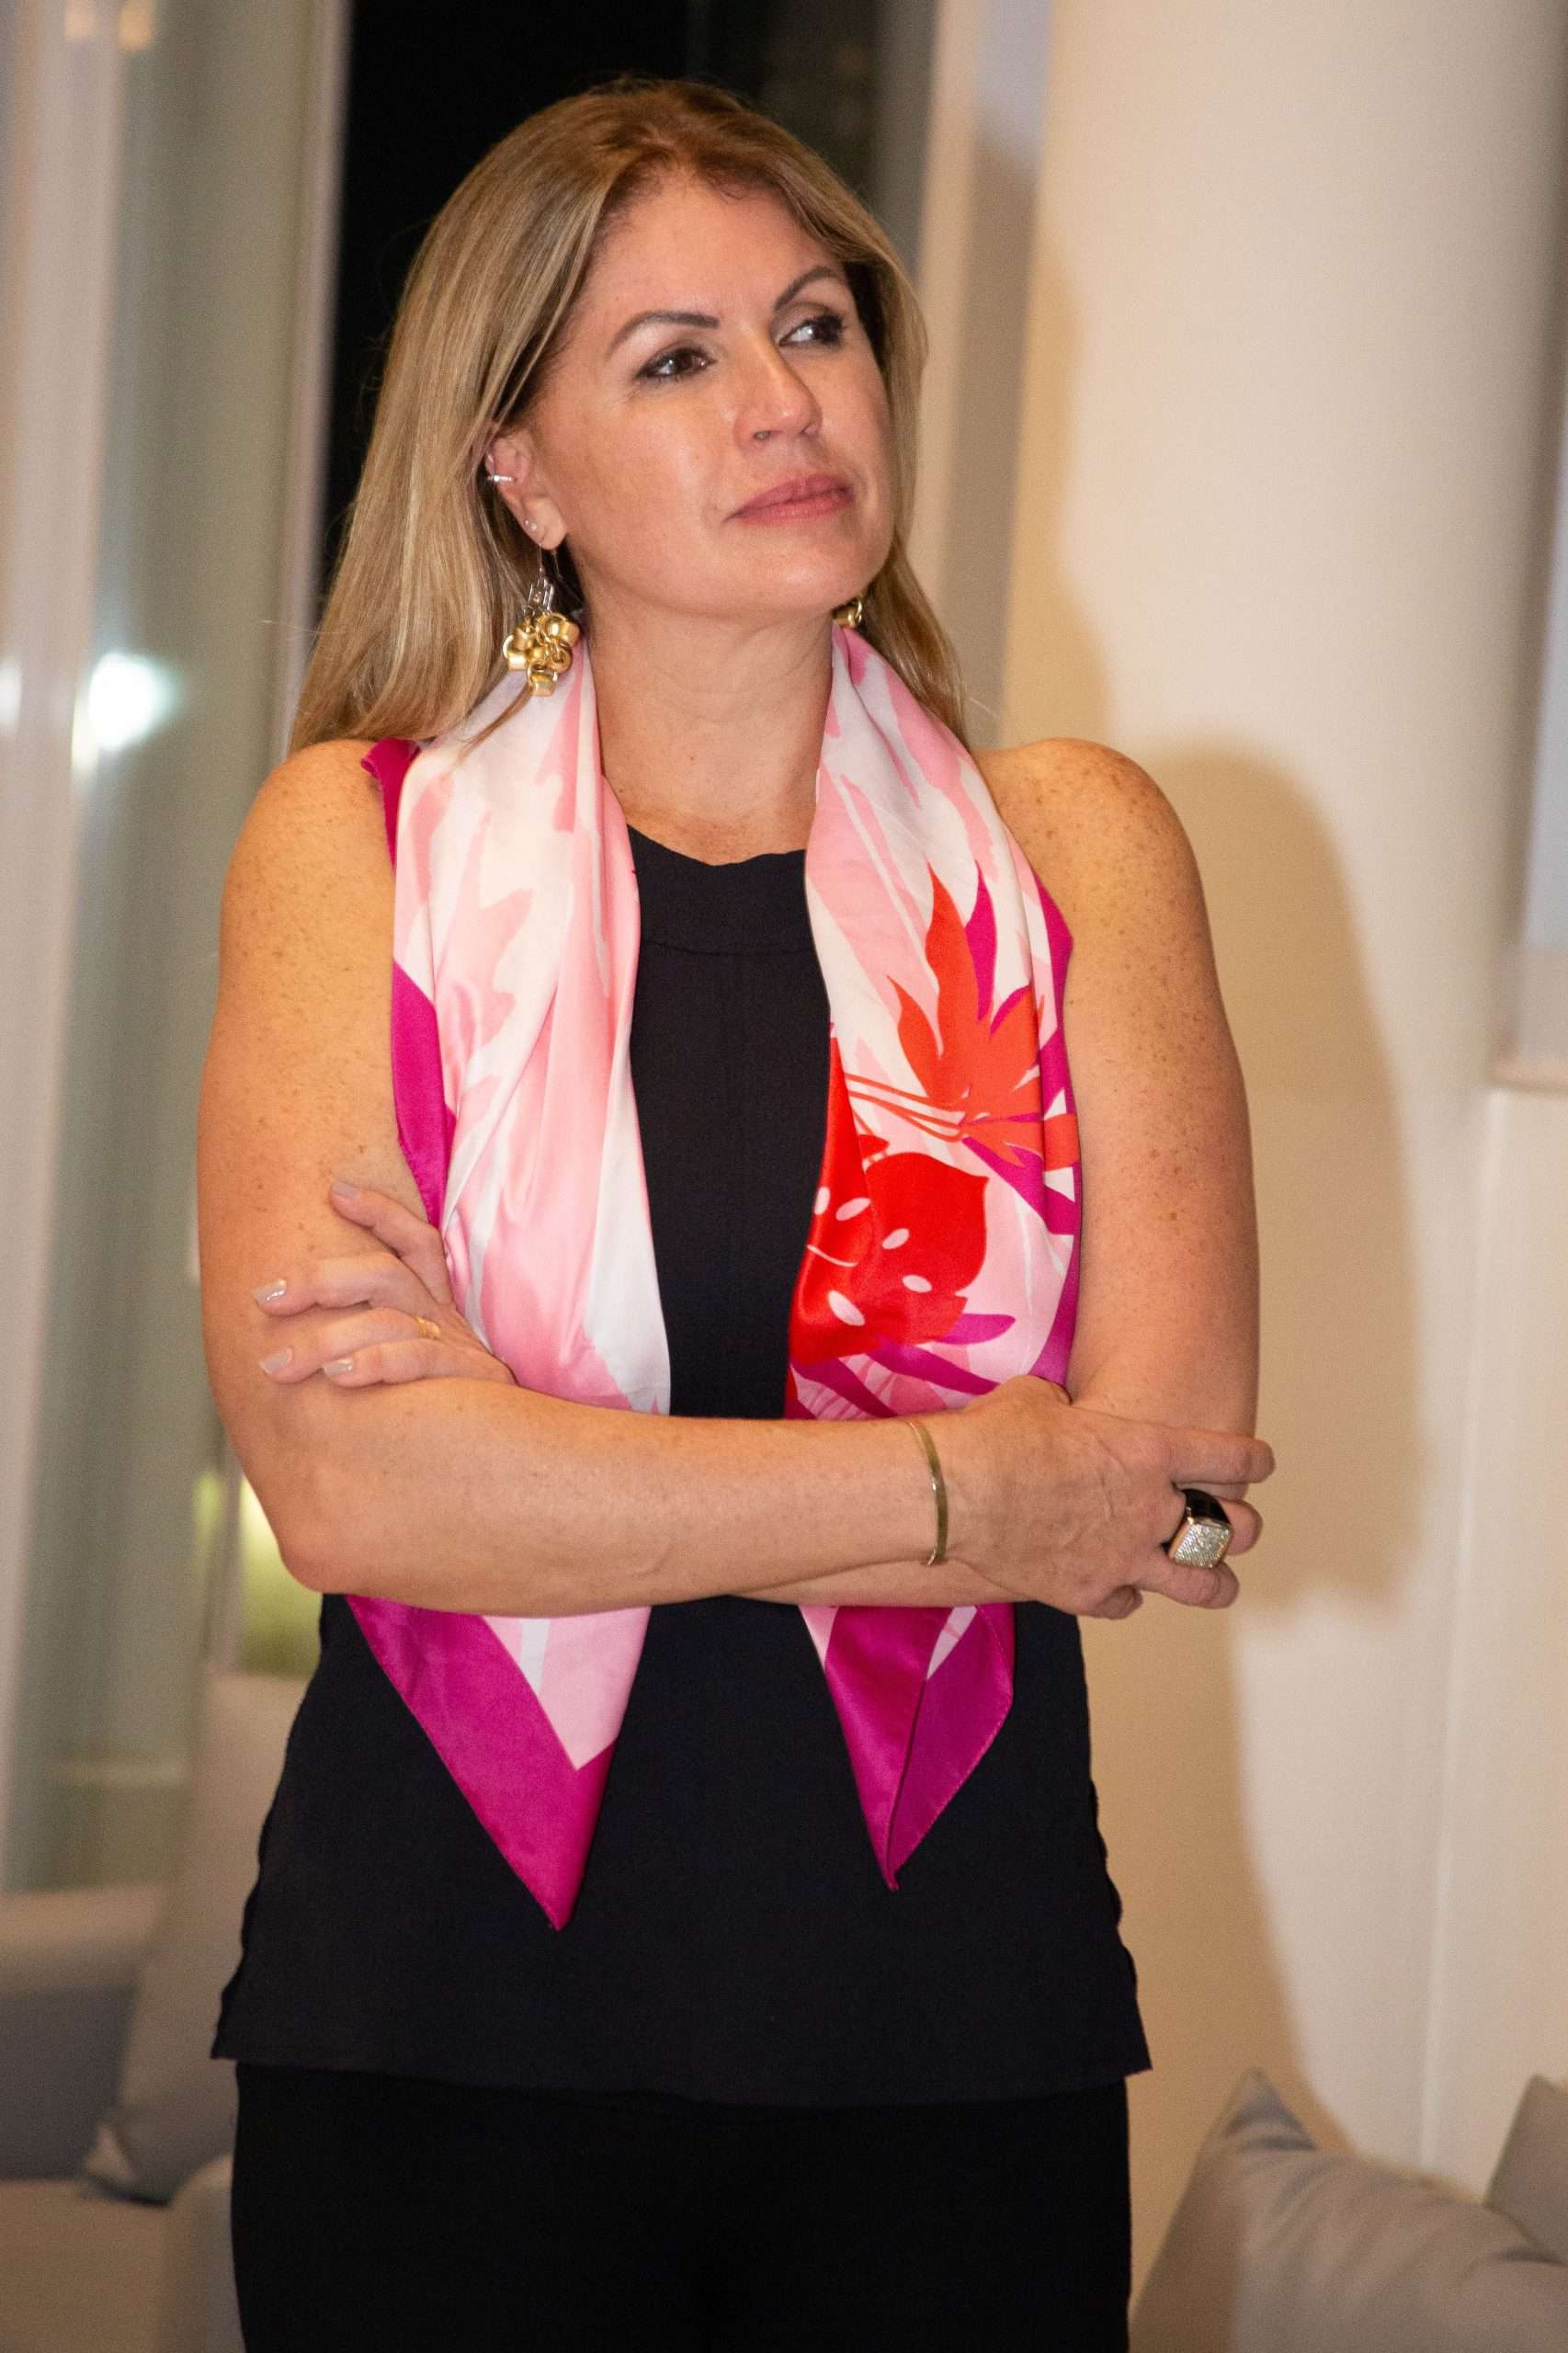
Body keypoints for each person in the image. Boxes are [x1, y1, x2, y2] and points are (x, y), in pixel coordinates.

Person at [196, 73, 1272, 2353]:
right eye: (675, 357)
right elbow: (352, 1491)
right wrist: (958, 1487)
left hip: (951, 2031)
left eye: (813, 324)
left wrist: (529, 1467)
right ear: (520, 469)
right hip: (442, 2024)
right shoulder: (355, 848)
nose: (786, 400)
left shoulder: (1072, 847)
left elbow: (1152, 1488)